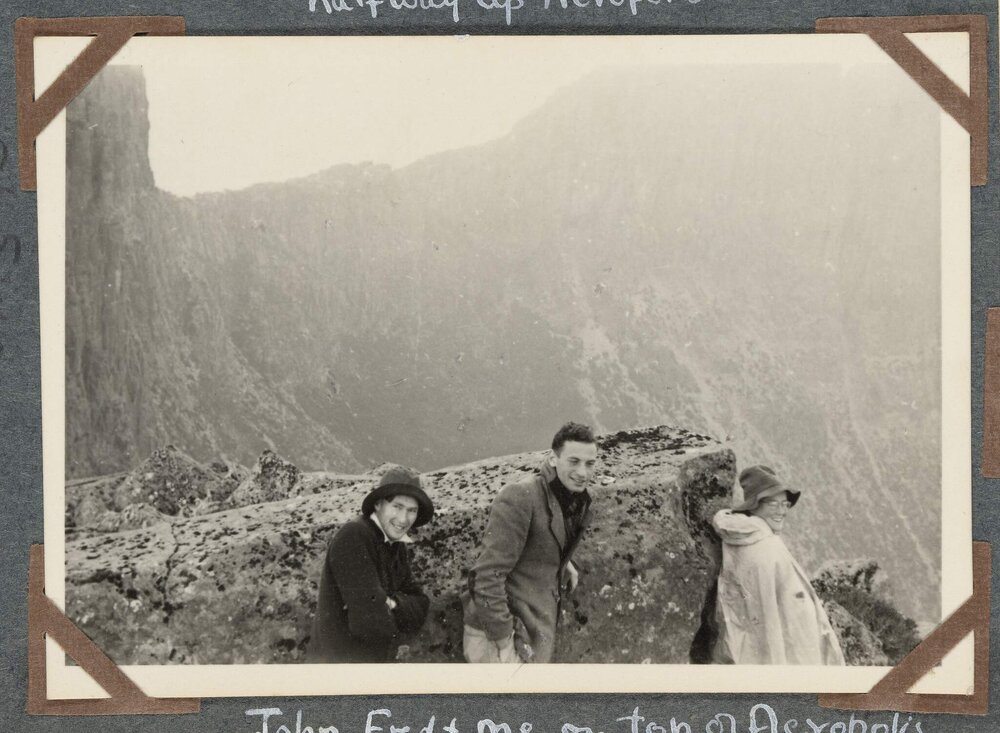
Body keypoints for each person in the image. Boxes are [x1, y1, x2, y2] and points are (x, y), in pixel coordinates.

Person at [462, 422, 597, 663]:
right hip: (500, 640)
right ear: (553, 459)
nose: (583, 472)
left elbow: (543, 537)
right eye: (573, 461)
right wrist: (504, 643)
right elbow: (485, 575)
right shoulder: (521, 496)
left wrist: (561, 560)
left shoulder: (571, 498)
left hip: (530, 637)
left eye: (590, 463)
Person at [711, 465, 845, 665]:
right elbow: (781, 621)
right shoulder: (765, 546)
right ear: (754, 506)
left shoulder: (743, 537)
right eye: (773, 504)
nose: (782, 511)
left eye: (785, 504)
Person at [307, 465, 434, 663]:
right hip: (339, 669)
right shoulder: (354, 536)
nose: (403, 519)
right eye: (397, 507)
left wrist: (391, 603)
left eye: (412, 510)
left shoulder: (395, 543)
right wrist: (398, 608)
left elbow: (421, 604)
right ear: (378, 505)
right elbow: (370, 623)